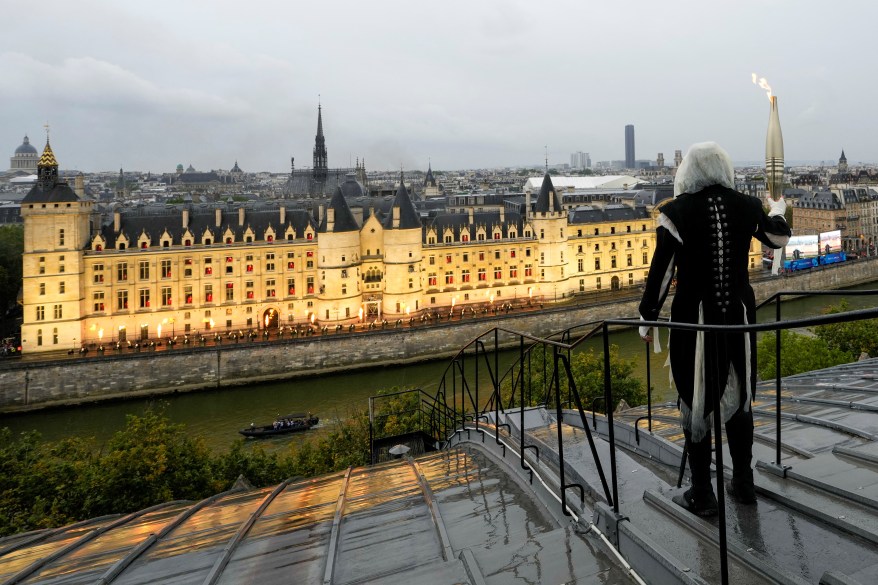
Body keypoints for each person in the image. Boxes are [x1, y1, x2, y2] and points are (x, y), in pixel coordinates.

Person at [638, 142, 791, 516]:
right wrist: (778, 209)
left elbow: (662, 274)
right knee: (739, 399)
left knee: (695, 400)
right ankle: (743, 484)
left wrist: (648, 318)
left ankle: (703, 494)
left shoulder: (675, 212)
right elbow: (778, 239)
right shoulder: (746, 205)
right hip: (738, 317)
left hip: (695, 318)